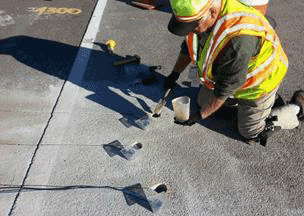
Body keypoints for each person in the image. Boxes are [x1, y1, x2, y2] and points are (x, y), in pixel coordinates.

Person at [164, 0, 304, 146]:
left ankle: (296, 107)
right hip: (233, 75)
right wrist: (175, 74)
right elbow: (189, 47)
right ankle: (251, 107)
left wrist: (200, 116)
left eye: (193, 25)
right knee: (203, 102)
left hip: (258, 85)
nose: (191, 30)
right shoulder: (201, 16)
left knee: (249, 133)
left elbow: (225, 89)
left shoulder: (237, 39)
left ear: (212, 12)